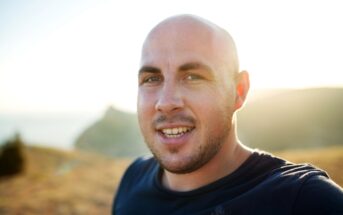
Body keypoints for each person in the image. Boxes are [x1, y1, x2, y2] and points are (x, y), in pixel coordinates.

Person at [112, 14, 343, 214]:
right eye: (152, 79)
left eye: (193, 77)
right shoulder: (133, 179)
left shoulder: (307, 201)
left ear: (239, 91)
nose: (166, 102)